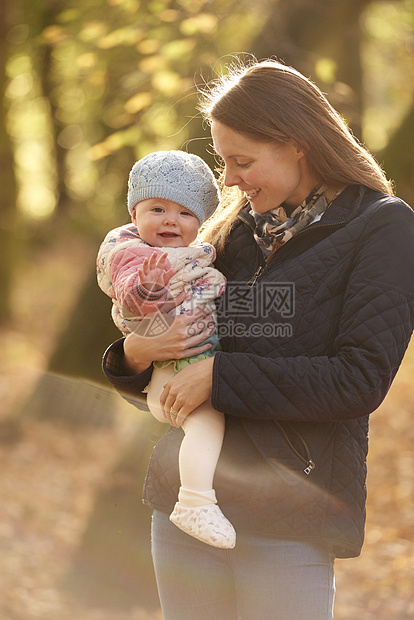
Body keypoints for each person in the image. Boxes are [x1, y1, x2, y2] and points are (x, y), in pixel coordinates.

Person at [101, 59, 414, 620]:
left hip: (291, 512)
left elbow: (359, 379)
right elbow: (178, 352)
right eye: (224, 161)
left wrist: (219, 377)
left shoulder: (383, 228)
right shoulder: (228, 230)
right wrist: (133, 355)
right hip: (185, 503)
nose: (229, 179)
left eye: (242, 161)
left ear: (297, 145)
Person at [97, 150, 236, 549]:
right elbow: (130, 296)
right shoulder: (133, 253)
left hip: (176, 367)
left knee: (207, 425)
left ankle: (197, 497)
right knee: (208, 423)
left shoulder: (182, 253)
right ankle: (195, 500)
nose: (171, 220)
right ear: (135, 213)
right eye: (158, 208)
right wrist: (149, 287)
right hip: (174, 372)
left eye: (185, 213)